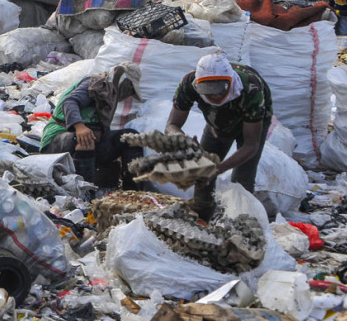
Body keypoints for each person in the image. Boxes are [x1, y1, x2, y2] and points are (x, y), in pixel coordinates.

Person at [165, 52, 272, 220]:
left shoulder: (251, 89)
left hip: (252, 122)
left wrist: (218, 169)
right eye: (208, 90)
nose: (214, 96)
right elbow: (171, 125)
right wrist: (182, 140)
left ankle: (241, 226)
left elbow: (251, 145)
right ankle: (202, 219)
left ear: (230, 81)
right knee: (202, 174)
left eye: (219, 89)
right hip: (217, 123)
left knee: (242, 181)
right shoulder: (188, 84)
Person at [39, 63, 145, 189]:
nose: (128, 95)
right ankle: (84, 193)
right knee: (86, 138)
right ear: (123, 83)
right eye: (130, 90)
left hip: (86, 140)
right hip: (57, 139)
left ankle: (132, 193)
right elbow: (70, 102)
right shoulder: (94, 84)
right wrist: (79, 127)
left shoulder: (107, 99)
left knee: (130, 138)